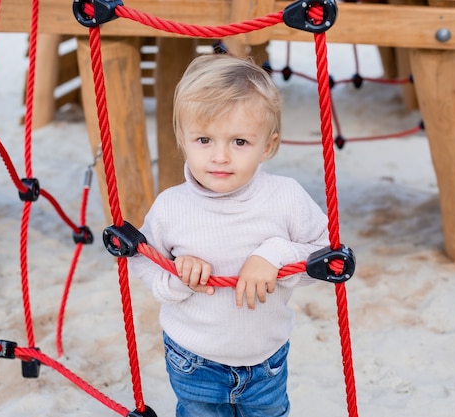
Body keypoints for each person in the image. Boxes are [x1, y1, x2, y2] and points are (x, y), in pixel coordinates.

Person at [128, 53, 330, 417]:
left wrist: (274, 254)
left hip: (266, 361)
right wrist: (178, 277)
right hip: (193, 359)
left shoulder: (285, 197)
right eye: (204, 140)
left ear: (267, 146)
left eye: (239, 142)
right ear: (183, 139)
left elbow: (325, 254)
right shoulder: (171, 206)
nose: (220, 156)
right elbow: (143, 261)